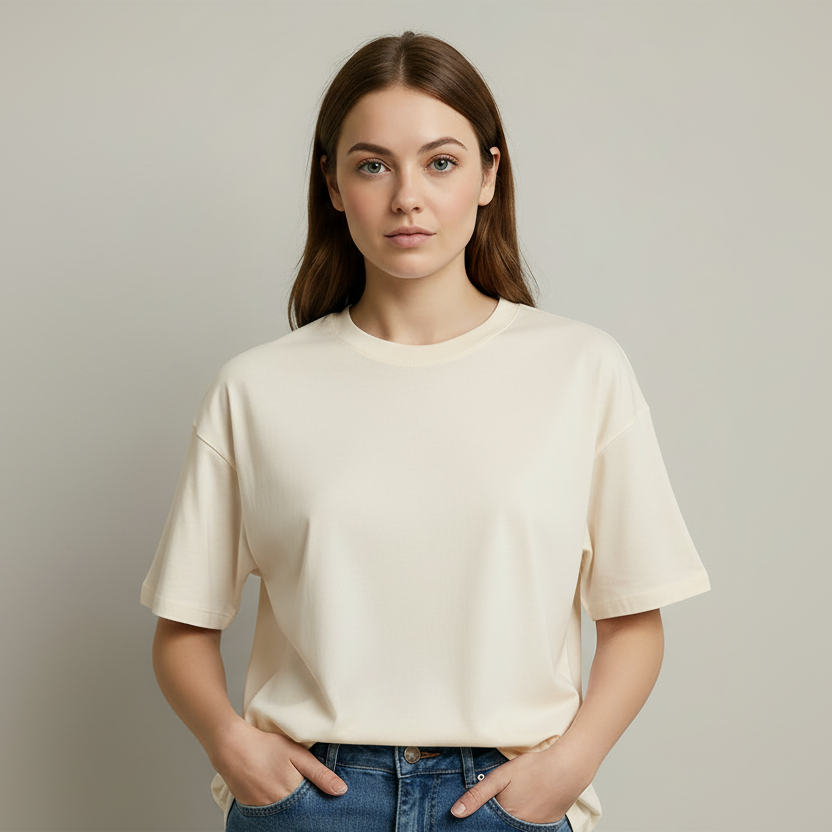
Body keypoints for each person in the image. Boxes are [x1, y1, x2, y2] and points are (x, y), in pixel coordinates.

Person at [141, 31, 711, 832]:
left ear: (488, 174)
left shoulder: (582, 370)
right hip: (313, 802)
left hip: (506, 804)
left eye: (440, 162)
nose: (407, 195)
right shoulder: (257, 388)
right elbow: (181, 630)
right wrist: (232, 747)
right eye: (372, 164)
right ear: (333, 185)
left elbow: (633, 619)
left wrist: (568, 770)